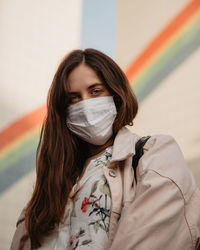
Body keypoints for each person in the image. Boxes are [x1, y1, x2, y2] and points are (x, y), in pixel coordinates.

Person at [11, 48, 200, 250]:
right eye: (73, 98)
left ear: (116, 94)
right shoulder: (50, 185)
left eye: (95, 91)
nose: (85, 106)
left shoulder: (154, 154)